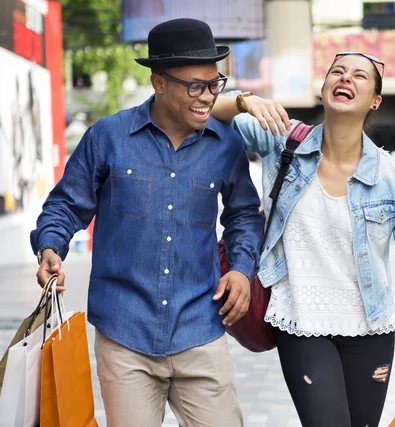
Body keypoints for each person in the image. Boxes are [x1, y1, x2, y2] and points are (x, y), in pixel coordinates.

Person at [211, 52, 395, 427]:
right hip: (301, 320)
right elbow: (205, 109)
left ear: (375, 100)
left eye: (359, 75)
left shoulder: (393, 177)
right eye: (337, 72)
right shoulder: (283, 139)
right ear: (324, 88)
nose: (346, 78)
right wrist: (245, 100)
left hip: (370, 328)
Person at [30, 19, 262, 427]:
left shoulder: (226, 146)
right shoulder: (107, 137)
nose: (207, 97)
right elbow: (66, 205)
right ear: (158, 82)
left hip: (200, 330)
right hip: (125, 335)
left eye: (214, 85)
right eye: (195, 86)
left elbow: (243, 214)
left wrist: (242, 269)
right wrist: (51, 247)